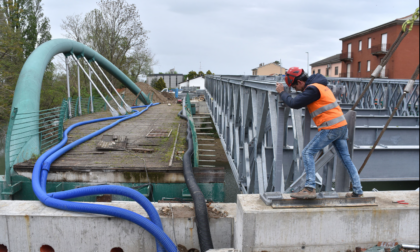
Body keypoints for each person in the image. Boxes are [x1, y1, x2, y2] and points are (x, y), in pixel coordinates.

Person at [276, 67, 363, 199]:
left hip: (331, 128)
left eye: (294, 87)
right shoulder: (320, 86)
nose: (295, 90)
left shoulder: (312, 90)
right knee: (346, 159)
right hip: (341, 126)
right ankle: (358, 190)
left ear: (299, 82)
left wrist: (282, 92)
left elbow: (294, 103)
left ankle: (310, 188)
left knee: (307, 152)